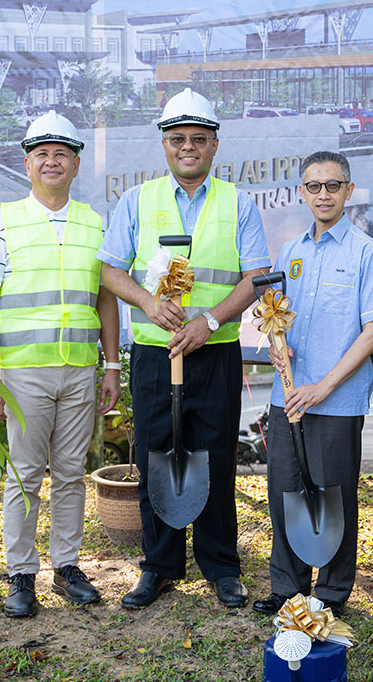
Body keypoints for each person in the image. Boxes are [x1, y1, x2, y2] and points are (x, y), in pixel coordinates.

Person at [97, 88, 270, 610]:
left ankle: (221, 566)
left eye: (198, 138)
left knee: (215, 460)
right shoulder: (137, 200)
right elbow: (109, 270)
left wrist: (211, 320)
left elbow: (256, 276)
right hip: (156, 356)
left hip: (215, 354)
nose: (187, 147)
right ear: (164, 145)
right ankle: (159, 566)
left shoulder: (238, 203)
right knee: (156, 458)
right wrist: (149, 303)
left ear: (214, 144)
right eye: (177, 139)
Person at [0, 111, 121, 618]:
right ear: (27, 164)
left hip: (79, 370)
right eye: (42, 154)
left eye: (62, 154)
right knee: (25, 475)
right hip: (23, 374)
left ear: (76, 165)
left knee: (72, 473)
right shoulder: (3, 223)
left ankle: (66, 567)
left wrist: (112, 365)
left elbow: (105, 299)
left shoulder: (94, 224)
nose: (51, 161)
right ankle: (20, 573)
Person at [251, 151, 373, 618]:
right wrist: (277, 346)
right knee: (285, 492)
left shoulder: (367, 253)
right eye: (314, 186)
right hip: (288, 396)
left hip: (337, 400)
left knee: (334, 496)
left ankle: (330, 592)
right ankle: (287, 587)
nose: (324, 195)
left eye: (333, 186)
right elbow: (276, 318)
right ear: (302, 192)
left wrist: (323, 387)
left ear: (348, 191)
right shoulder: (290, 252)